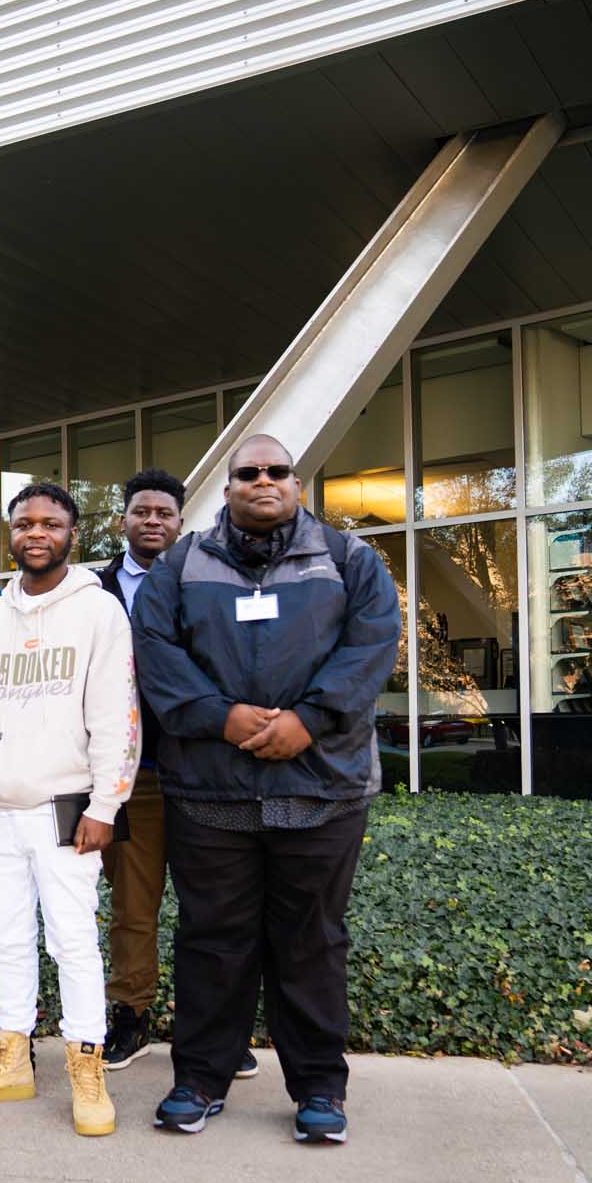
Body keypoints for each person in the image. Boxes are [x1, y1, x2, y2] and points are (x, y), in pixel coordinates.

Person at [133, 436, 399, 1145]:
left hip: (322, 790)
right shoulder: (182, 565)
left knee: (310, 941)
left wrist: (310, 721)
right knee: (213, 939)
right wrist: (221, 716)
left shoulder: (350, 561)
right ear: (227, 489)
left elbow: (372, 647)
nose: (263, 481)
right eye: (247, 473)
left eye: (276, 471)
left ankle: (318, 1086)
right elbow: (155, 653)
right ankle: (199, 1078)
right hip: (211, 794)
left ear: (298, 484)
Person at [0, 482, 138, 1138]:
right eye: (24, 522)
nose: (36, 532)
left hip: (68, 803)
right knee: (6, 938)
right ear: (10, 534)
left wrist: (107, 804)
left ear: (72, 534)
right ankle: (11, 1060)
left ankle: (87, 1064)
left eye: (50, 522)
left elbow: (117, 719)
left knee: (73, 938)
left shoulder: (98, 612)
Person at [94, 468, 264, 1079]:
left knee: (213, 909)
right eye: (141, 511)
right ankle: (131, 1015)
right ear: (124, 521)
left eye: (164, 513)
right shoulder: (94, 590)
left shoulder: (211, 582)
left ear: (180, 521)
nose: (153, 522)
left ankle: (216, 1030)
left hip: (202, 770)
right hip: (129, 775)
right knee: (133, 906)